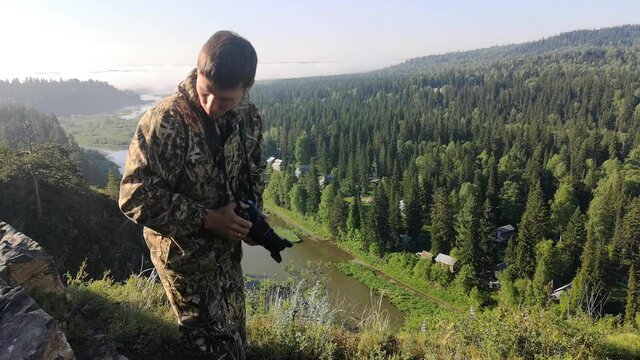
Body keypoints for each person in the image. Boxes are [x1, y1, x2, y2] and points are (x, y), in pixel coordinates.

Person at [119, 31, 264, 359]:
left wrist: (253, 217)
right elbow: (133, 196)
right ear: (198, 72)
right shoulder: (164, 121)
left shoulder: (248, 118)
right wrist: (208, 219)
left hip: (227, 255)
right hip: (184, 261)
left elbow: (252, 175)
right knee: (211, 350)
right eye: (205, 92)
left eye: (225, 99)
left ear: (246, 89)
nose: (212, 106)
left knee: (236, 339)